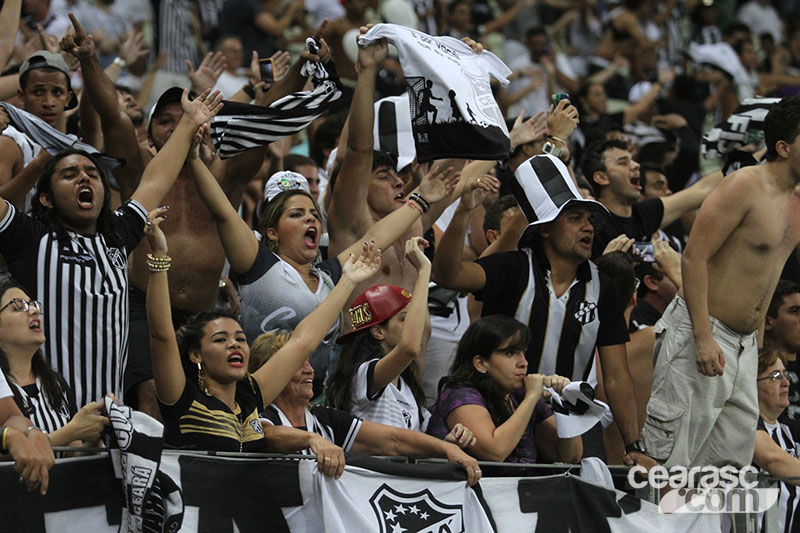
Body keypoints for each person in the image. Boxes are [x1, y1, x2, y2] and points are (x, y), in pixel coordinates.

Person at [0, 87, 221, 410]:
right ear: (45, 198)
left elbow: (155, 181)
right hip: (47, 418)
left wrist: (189, 124)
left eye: (93, 173)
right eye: (69, 174)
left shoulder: (117, 235)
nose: (85, 179)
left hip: (111, 422)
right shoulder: (30, 236)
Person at [190, 132, 457, 394]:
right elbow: (223, 211)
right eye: (297, 214)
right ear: (272, 231)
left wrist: (420, 199)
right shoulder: (259, 264)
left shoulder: (331, 275)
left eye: (314, 215)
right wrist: (193, 160)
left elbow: (376, 238)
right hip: (258, 397)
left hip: (315, 400)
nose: (311, 220)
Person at [432, 153, 649, 467]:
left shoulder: (603, 288)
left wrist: (633, 444)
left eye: (589, 220)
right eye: (575, 218)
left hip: (570, 416)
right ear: (545, 229)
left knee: (585, 493)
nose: (588, 227)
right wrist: (464, 211)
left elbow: (616, 375)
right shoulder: (512, 268)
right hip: (500, 408)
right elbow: (448, 275)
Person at [643, 95, 800, 470]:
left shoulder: (796, 201)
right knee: (673, 467)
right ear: (782, 147)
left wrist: (759, 347)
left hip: (747, 347)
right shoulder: (743, 185)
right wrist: (702, 337)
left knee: (728, 470)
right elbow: (694, 256)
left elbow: (768, 272)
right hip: (704, 330)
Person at [144, 206, 382, 452]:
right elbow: (161, 335)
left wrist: (347, 282)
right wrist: (159, 256)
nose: (234, 344)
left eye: (239, 337)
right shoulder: (181, 398)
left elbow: (302, 341)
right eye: (220, 340)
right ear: (196, 354)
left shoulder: (250, 397)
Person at [251, 331, 481, 485]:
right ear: (273, 371)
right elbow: (266, 435)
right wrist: (311, 439)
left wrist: (447, 449)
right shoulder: (259, 414)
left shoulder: (325, 419)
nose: (310, 370)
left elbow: (394, 440)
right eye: (297, 363)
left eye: (308, 361)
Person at [427, 315, 582, 464]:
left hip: (523, 489)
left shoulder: (520, 393)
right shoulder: (460, 394)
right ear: (481, 363)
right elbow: (494, 452)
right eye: (510, 353)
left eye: (523, 352)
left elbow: (570, 456)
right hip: (471, 489)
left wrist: (565, 403)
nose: (524, 363)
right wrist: (531, 397)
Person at [326, 237, 431, 430]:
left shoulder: (408, 387)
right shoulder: (364, 374)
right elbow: (409, 347)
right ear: (378, 331)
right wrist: (423, 271)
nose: (415, 326)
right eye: (403, 319)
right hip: (368, 462)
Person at [0, 281, 109, 450]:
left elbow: (71, 458)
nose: (34, 310)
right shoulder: (3, 387)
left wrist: (94, 432)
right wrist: (70, 432)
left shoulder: (55, 382)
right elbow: (11, 456)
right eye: (18, 306)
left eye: (33, 305)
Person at [581, 138, 724, 256]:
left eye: (633, 160)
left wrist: (739, 162)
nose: (636, 165)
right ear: (601, 177)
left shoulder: (644, 213)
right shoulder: (591, 224)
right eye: (623, 162)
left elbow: (702, 189)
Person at [752, 349, 800, 533]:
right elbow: (773, 460)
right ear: (750, 384)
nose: (786, 383)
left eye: (785, 375)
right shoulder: (744, 425)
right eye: (775, 376)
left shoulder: (788, 432)